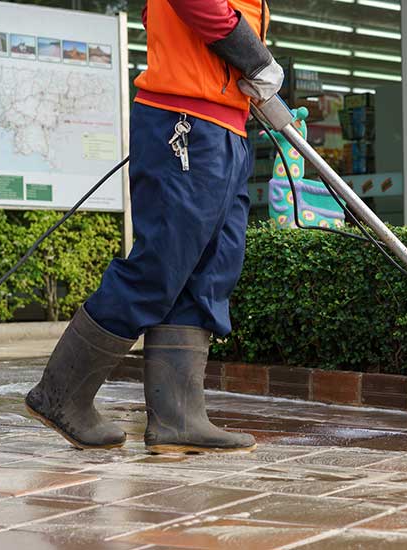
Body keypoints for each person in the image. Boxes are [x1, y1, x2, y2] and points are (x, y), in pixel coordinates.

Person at [25, 0, 283, 454]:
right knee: (159, 266)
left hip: (228, 127)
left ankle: (178, 419)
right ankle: (61, 394)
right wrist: (254, 57)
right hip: (184, 122)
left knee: (210, 270)